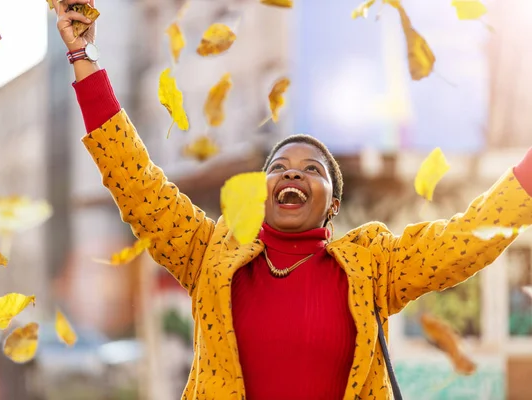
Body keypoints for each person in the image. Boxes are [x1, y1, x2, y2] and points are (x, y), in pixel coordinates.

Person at [53, 1, 532, 398]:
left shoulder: (374, 266)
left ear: (333, 204)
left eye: (311, 170)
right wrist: (84, 55)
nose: (292, 174)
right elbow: (135, 182)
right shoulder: (207, 253)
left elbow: (466, 240)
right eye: (278, 167)